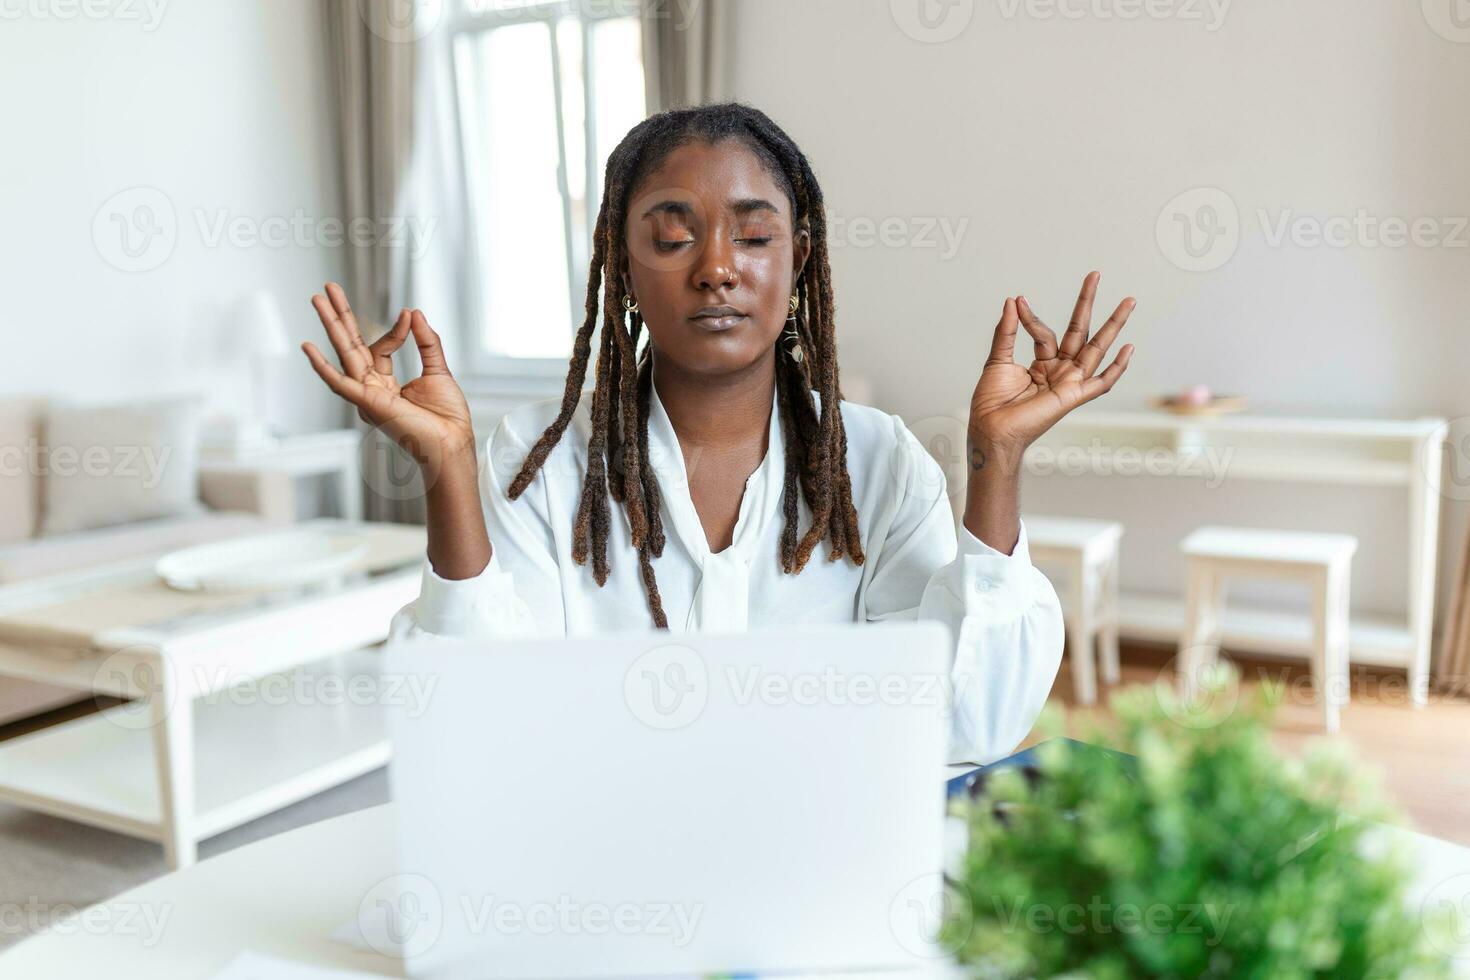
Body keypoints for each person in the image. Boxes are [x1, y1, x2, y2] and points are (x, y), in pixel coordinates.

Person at [301, 103, 1136, 763]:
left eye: (755, 234)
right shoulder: (541, 462)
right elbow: (477, 719)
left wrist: (996, 464)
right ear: (623, 268)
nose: (717, 267)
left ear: (799, 258)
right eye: (671, 237)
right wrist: (446, 466)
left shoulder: (879, 465)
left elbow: (968, 721)